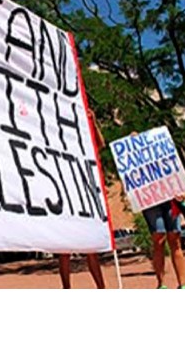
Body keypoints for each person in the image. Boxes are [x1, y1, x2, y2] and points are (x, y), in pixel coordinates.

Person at [58, 108, 106, 289]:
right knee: (64, 250)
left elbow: (100, 144)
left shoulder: (84, 143)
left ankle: (101, 287)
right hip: (66, 199)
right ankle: (66, 288)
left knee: (90, 248)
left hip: (85, 199)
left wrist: (92, 122)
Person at [142, 198, 185, 289]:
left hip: (171, 198)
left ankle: (183, 284)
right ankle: (161, 284)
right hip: (149, 200)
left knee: (175, 239)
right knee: (159, 240)